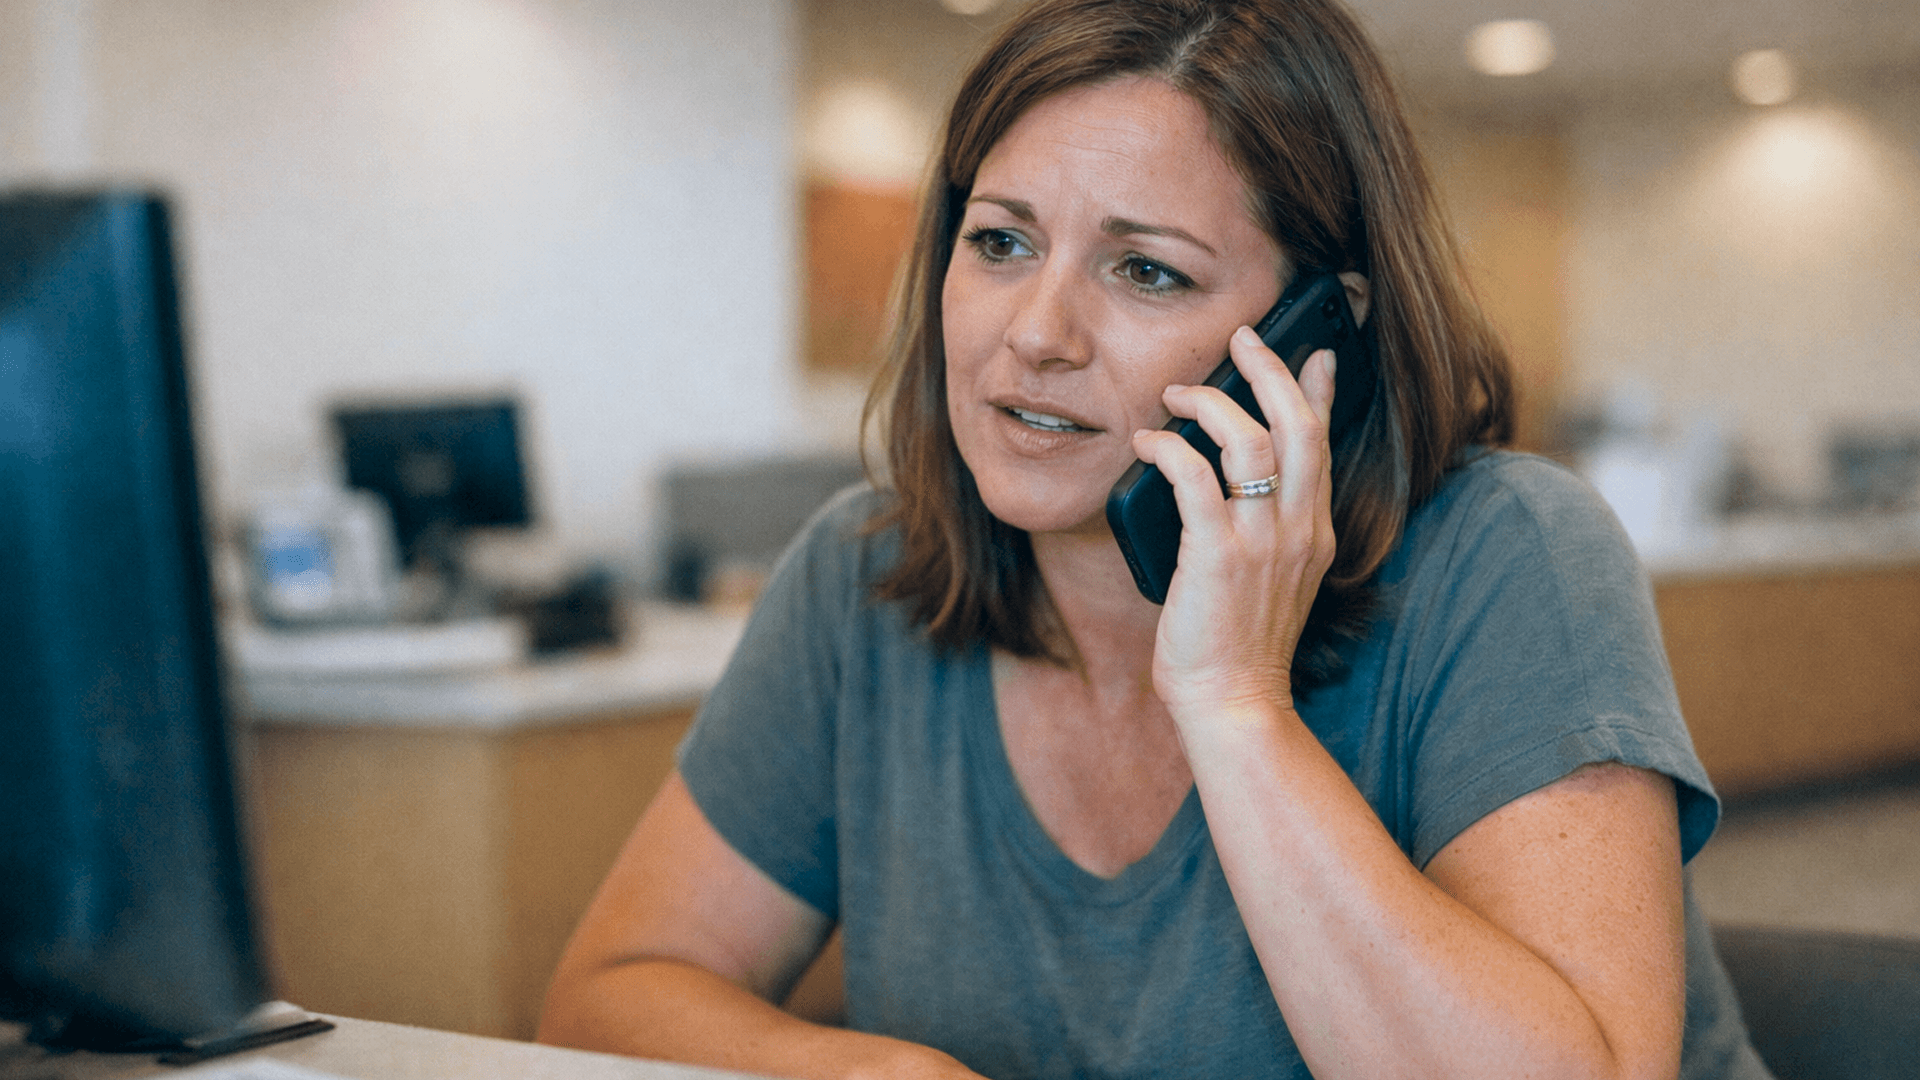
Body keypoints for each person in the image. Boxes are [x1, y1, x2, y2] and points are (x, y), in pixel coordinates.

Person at [539, 1, 1773, 1077]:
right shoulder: (861, 576)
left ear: (1310, 337)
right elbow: (607, 995)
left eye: (1146, 271)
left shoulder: (1509, 556)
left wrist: (1236, 706)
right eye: (1002, 242)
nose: (1038, 331)